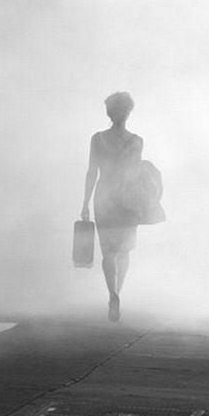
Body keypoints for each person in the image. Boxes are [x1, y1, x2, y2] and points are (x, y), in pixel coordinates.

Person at [81, 91, 144, 321]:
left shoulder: (97, 139)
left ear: (109, 112)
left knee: (108, 252)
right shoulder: (136, 141)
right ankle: (119, 290)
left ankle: (112, 293)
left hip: (104, 197)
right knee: (125, 250)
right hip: (127, 200)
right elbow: (135, 174)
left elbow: (91, 172)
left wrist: (85, 202)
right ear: (128, 112)